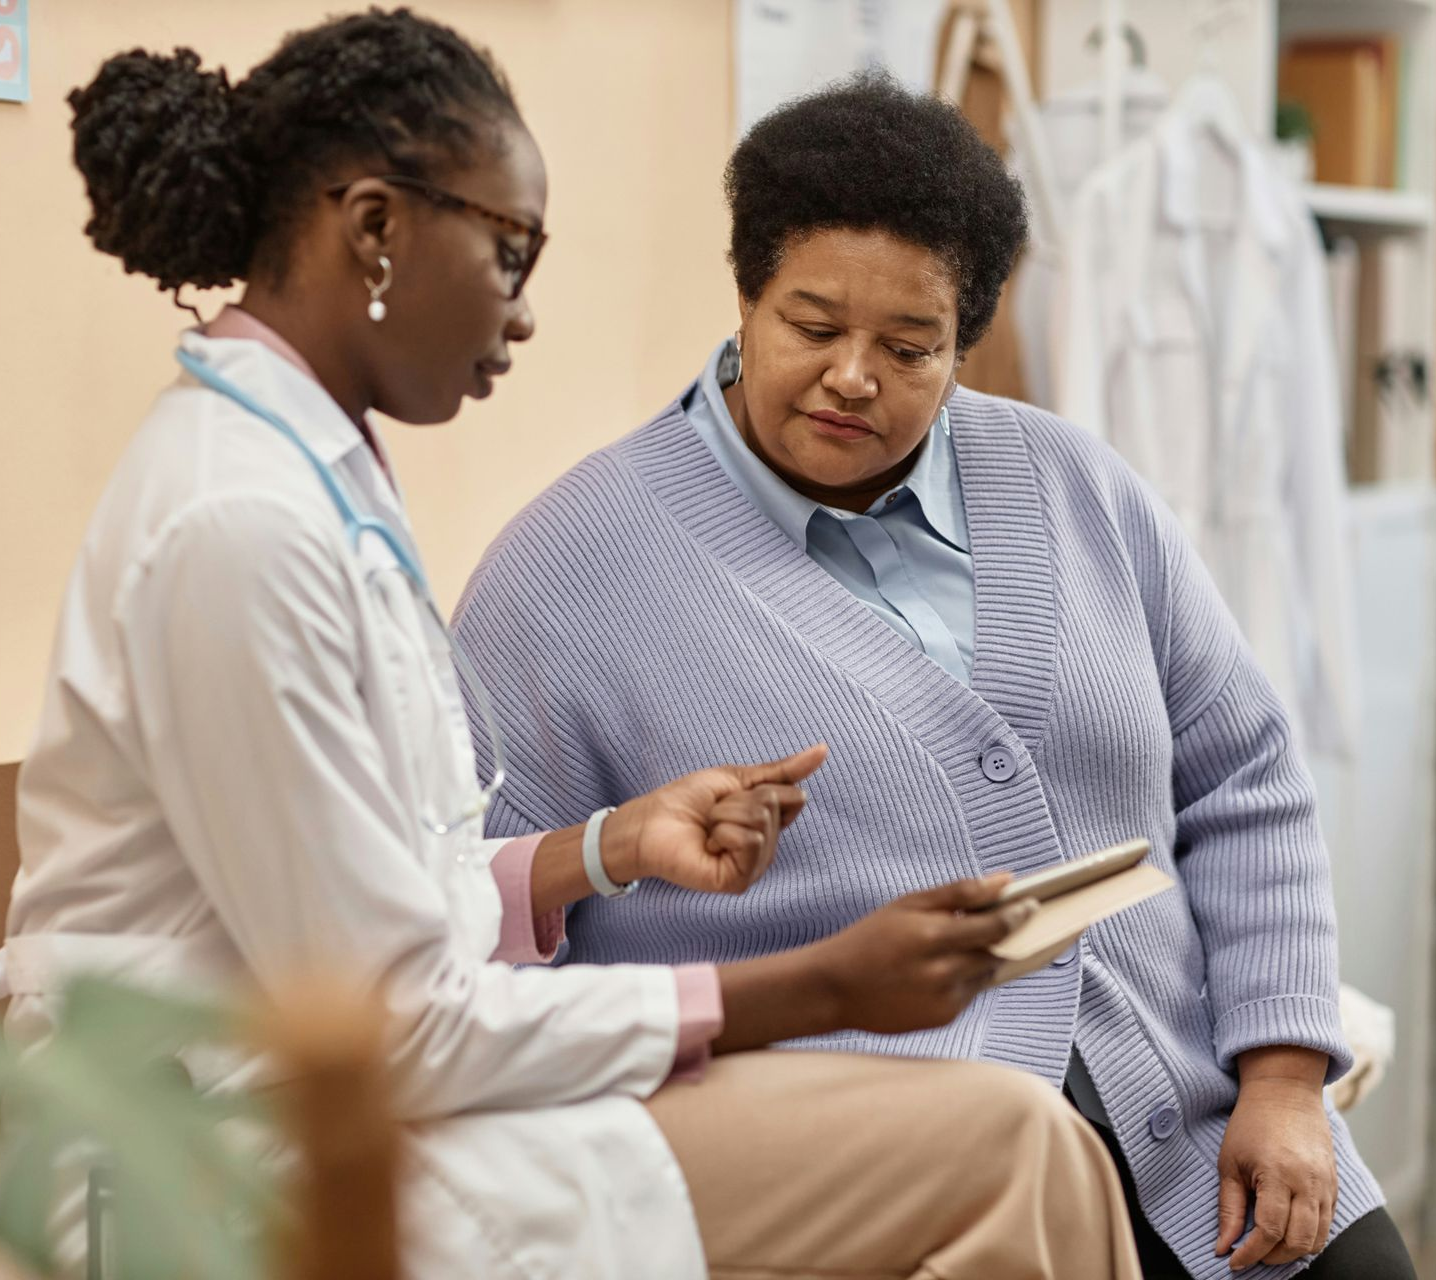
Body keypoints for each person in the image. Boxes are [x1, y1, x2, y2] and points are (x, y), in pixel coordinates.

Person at [0, 12, 1143, 1279]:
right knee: (1012, 1144)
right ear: (376, 228)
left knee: (1011, 1143)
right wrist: (821, 988)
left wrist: (606, 848)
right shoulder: (234, 527)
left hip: (341, 1094)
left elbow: (375, 906)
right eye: (509, 252)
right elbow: (392, 1018)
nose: (525, 315)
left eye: (911, 347)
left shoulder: (303, 481)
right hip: (218, 1157)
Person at [452, 74, 1419, 1280]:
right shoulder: (569, 568)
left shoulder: (1076, 486)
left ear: (965, 344)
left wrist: (1281, 1077)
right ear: (745, 298)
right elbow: (458, 918)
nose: (855, 375)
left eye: (909, 347)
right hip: (902, 1186)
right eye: (812, 326)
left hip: (1200, 1130)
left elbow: (1245, 776)